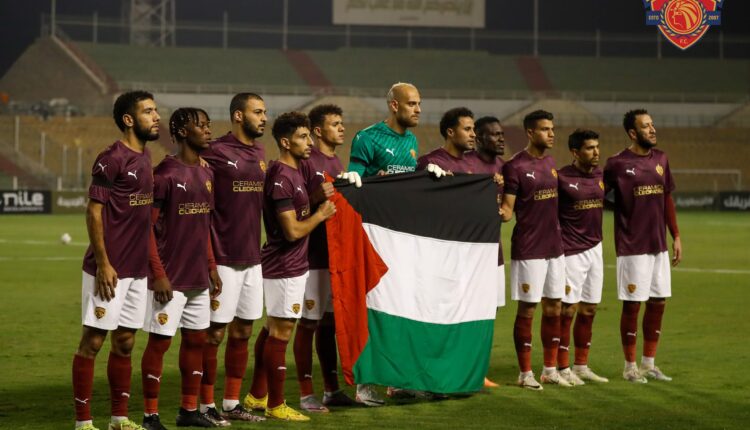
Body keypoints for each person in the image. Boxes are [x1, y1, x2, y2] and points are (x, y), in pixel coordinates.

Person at [71, 90, 159, 430]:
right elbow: (93, 212)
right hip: (109, 269)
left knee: (125, 342)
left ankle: (119, 419)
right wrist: (104, 264)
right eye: (148, 111)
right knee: (93, 341)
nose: (156, 117)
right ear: (128, 119)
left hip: (137, 270)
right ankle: (83, 422)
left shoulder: (146, 157)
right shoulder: (111, 158)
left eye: (155, 110)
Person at [139, 108, 228, 429]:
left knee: (196, 342)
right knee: (160, 343)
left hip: (198, 278)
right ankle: (150, 416)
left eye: (208, 125)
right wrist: (158, 274)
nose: (208, 130)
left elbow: (204, 226)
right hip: (170, 279)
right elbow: (146, 229)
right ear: (180, 132)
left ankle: (188, 411)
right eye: (200, 126)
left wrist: (212, 266)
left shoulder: (207, 174)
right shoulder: (164, 175)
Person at [247, 111, 336, 421]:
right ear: (286, 142)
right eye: (302, 137)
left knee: (273, 328)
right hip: (285, 264)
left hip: (290, 264)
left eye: (309, 136)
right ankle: (276, 404)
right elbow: (293, 231)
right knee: (281, 332)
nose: (309, 142)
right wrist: (321, 214)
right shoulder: (282, 177)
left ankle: (257, 395)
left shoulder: (293, 171)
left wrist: (313, 199)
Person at [198, 93, 267, 422]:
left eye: (265, 112)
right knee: (214, 334)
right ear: (238, 116)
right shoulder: (215, 151)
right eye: (258, 112)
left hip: (253, 258)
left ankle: (231, 403)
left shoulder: (260, 152)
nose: (264, 118)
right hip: (223, 258)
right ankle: (204, 405)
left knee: (243, 332)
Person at [603, 109, 681, 383]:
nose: (653, 129)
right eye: (646, 126)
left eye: (652, 124)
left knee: (658, 302)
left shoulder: (661, 159)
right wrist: (622, 209)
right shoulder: (616, 163)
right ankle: (630, 367)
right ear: (632, 133)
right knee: (633, 304)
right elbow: (598, 195)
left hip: (658, 244)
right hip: (632, 245)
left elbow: (666, 198)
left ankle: (649, 364)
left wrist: (676, 235)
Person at [293, 104, 358, 413]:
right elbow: (295, 207)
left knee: (328, 323)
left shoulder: (335, 161)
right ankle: (306, 394)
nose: (342, 128)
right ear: (318, 131)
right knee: (308, 323)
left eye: (342, 122)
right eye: (335, 123)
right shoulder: (308, 161)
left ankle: (332, 389)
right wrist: (316, 197)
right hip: (312, 256)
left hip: (334, 256)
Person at [500, 110, 571, 390]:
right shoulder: (515, 166)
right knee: (528, 308)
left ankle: (549, 370)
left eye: (552, 129)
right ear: (530, 133)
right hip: (529, 248)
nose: (551, 134)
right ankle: (525, 373)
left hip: (555, 246)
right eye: (545, 129)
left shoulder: (551, 162)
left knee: (555, 307)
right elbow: (507, 210)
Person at [555, 129, 609, 386]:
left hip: (595, 249)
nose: (596, 152)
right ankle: (562, 367)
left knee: (589, 309)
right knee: (568, 310)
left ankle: (581, 365)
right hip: (571, 251)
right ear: (575, 152)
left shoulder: (601, 175)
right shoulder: (561, 178)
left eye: (597, 147)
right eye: (589, 148)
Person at [467, 115, 507, 389]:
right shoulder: (465, 164)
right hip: (470, 253)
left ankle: (479, 369)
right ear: (479, 138)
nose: (501, 138)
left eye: (502, 134)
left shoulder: (503, 167)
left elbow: (505, 207)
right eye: (494, 134)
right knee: (470, 311)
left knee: (490, 311)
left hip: (495, 251)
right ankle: (466, 368)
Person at [348, 82, 421, 178]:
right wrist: (376, 181)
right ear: (394, 106)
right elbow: (353, 182)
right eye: (411, 104)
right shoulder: (367, 137)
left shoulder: (412, 139)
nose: (418, 110)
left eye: (419, 104)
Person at [416, 106, 476, 173]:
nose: (473, 134)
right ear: (450, 132)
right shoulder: (430, 161)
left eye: (473, 129)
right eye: (467, 129)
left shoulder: (472, 164)